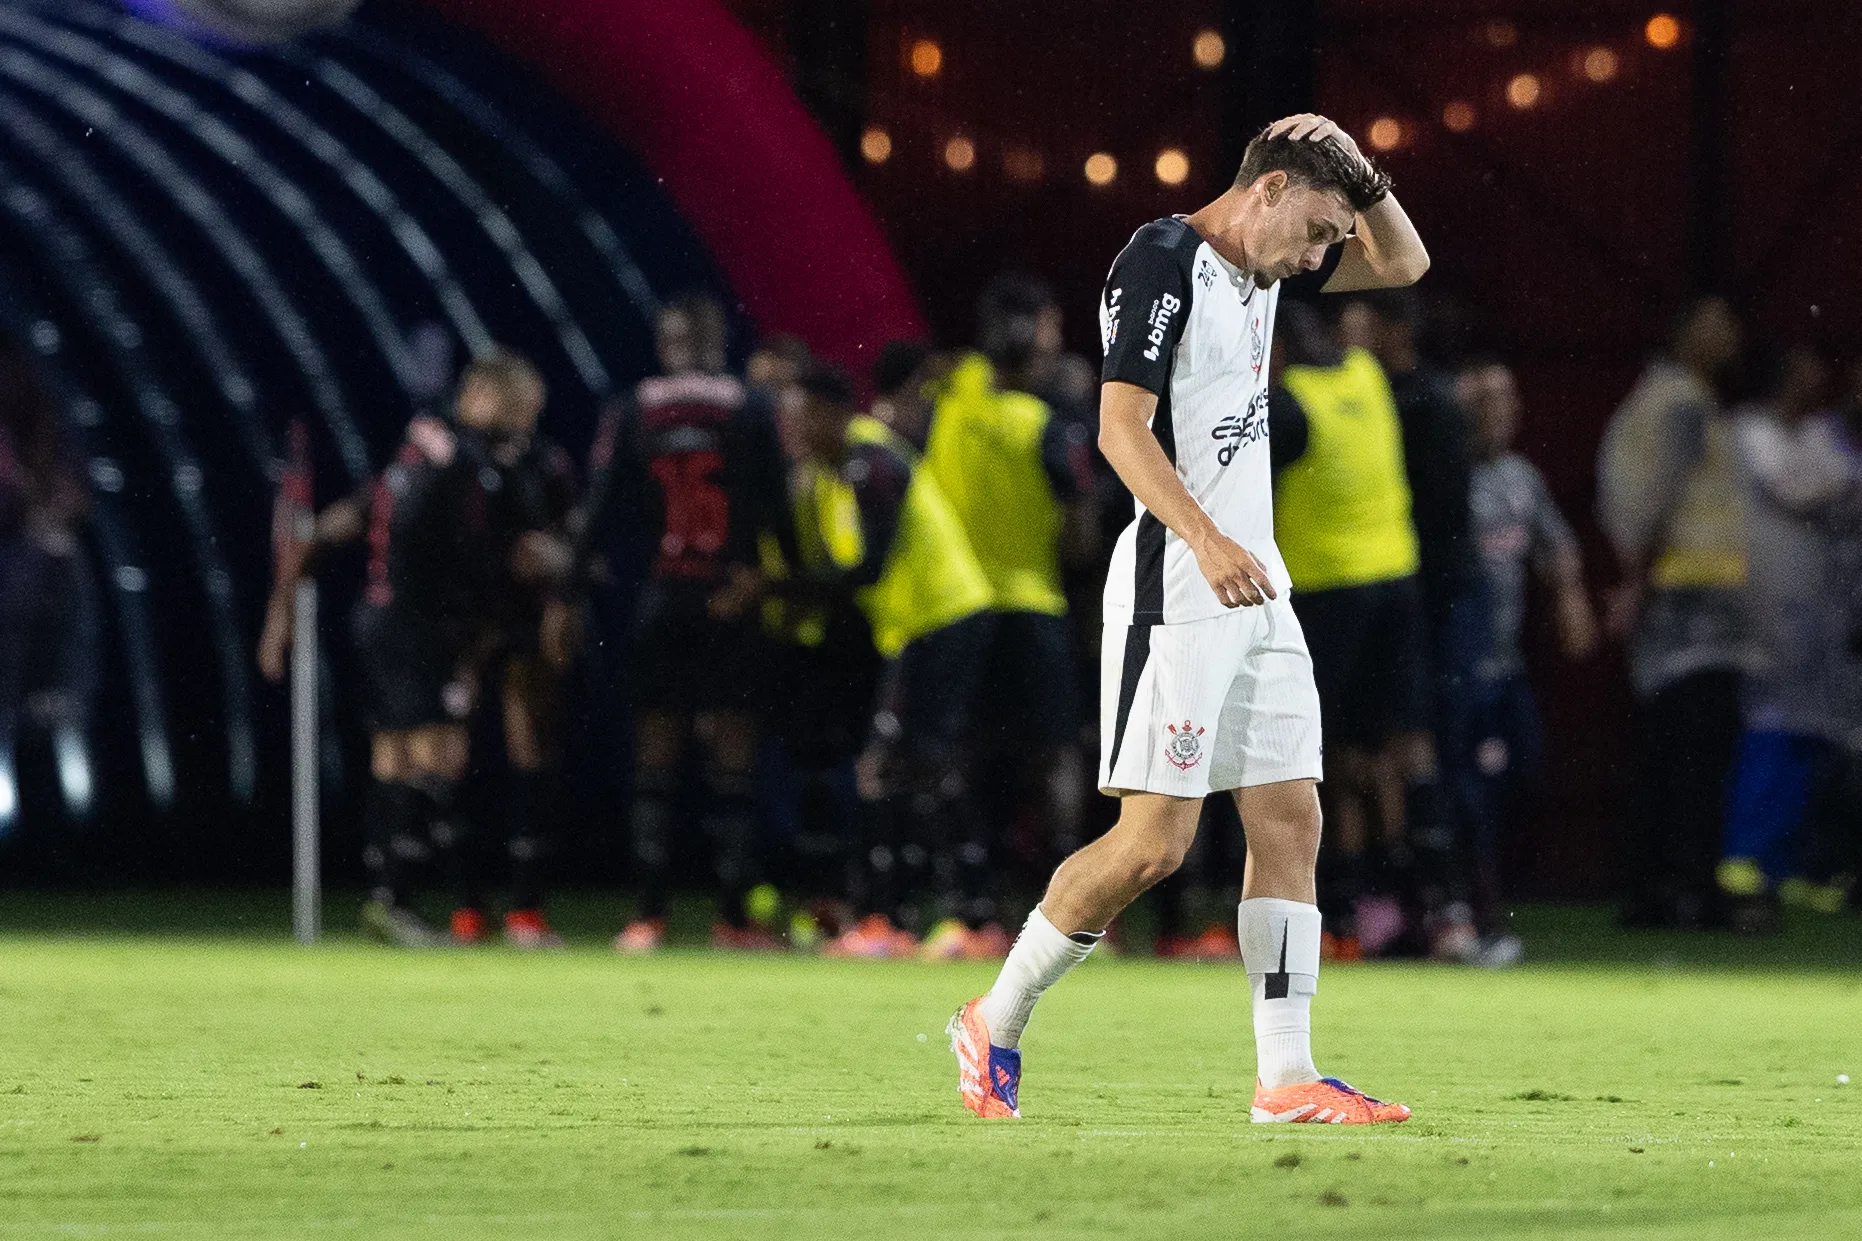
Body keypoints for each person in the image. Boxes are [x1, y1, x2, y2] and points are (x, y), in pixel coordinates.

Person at [950, 114, 1427, 1124]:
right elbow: (1117, 427)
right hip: (1181, 578)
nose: (1316, 257)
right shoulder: (1161, 257)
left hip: (1257, 588)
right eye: (1313, 227)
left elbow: (1403, 262)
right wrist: (1206, 540)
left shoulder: (1264, 267)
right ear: (1266, 189)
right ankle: (991, 1016)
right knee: (1153, 846)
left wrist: (1361, 180)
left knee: (1289, 816)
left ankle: (1285, 1076)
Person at [261, 349, 573, 947]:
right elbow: (468, 544)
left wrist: (279, 613)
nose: (527, 421)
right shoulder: (466, 459)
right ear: (483, 398)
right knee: (441, 753)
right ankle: (403, 900)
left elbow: (351, 519)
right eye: (520, 407)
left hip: (376, 617)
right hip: (419, 622)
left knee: (392, 755)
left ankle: (393, 900)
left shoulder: (417, 447)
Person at [781, 361, 1001, 959]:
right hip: (917, 626)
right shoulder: (832, 474)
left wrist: (783, 589)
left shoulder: (869, 460)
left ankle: (929, 920)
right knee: (908, 768)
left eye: (800, 416)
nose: (791, 429)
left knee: (899, 766)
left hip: (944, 618)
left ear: (832, 413)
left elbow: (870, 566)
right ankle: (931, 917)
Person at [594, 295, 792, 953]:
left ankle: (647, 915)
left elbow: (604, 510)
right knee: (732, 760)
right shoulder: (748, 405)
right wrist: (777, 576)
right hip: (729, 594)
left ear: (665, 341)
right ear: (716, 340)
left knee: (656, 757)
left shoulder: (633, 409)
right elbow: (774, 500)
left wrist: (572, 588)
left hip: (662, 598)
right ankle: (733, 918)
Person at [1269, 302, 1442, 959]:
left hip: (1327, 594)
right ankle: (1432, 903)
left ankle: (1343, 907)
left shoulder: (1289, 407)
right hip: (1396, 581)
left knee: (1331, 757)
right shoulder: (1368, 375)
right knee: (1404, 748)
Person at [924, 301, 1096, 929]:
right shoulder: (1043, 424)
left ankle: (970, 907)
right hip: (1034, 607)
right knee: (1054, 755)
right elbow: (1079, 533)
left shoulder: (952, 398)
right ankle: (1075, 906)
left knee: (965, 754)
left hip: (961, 609)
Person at [1597, 296, 1747, 929]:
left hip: (1688, 593)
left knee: (1673, 748)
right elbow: (1655, 497)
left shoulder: (1668, 398)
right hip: (1689, 599)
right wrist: (1638, 581)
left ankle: (1663, 886)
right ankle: (1682, 888)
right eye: (1715, 324)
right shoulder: (1681, 404)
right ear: (1685, 333)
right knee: (1691, 752)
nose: (1731, 336)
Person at [1459, 357, 1598, 961]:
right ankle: (1473, 913)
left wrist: (1570, 597)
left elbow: (1556, 545)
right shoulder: (1449, 475)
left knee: (1522, 775)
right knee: (1470, 793)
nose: (1499, 411)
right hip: (1460, 666)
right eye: (1486, 399)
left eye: (1506, 398)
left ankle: (1490, 903)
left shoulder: (1520, 479)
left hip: (1506, 664)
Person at [1717, 344, 1849, 928]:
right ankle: (1743, 857)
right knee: (1768, 725)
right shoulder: (1750, 430)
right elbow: (1801, 489)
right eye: (1805, 367)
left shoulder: (1816, 435)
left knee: (1813, 733)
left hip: (1821, 609)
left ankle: (1782, 862)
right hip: (1763, 604)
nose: (1816, 377)